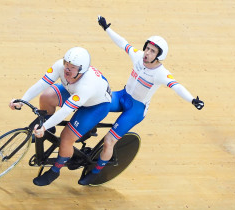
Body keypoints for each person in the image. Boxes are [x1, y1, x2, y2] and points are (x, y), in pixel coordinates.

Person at [77, 16, 205, 185]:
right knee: (96, 102)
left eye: (152, 51)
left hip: (135, 110)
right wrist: (106, 28)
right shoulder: (138, 56)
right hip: (123, 95)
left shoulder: (161, 73)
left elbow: (176, 86)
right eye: (147, 49)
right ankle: (87, 130)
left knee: (109, 141)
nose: (147, 53)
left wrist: (192, 100)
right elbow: (123, 43)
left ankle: (96, 172)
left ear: (159, 56)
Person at [9, 47, 112, 186]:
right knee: (46, 96)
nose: (67, 70)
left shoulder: (87, 85)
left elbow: (65, 111)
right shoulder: (60, 65)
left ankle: (55, 171)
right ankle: (50, 131)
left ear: (81, 70)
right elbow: (41, 84)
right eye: (66, 65)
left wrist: (44, 126)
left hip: (95, 106)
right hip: (73, 92)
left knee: (66, 138)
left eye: (72, 67)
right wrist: (22, 100)